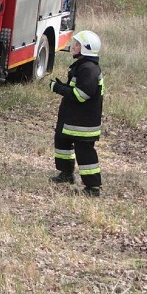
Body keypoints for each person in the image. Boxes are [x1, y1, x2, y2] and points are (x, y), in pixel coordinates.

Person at [49, 30, 106, 197]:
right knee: (62, 142)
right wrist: (64, 87)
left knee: (85, 154)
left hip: (83, 124)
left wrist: (59, 89)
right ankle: (66, 174)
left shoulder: (89, 69)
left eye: (77, 44)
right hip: (72, 119)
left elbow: (82, 95)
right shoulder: (82, 65)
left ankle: (92, 188)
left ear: (85, 49)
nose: (73, 46)